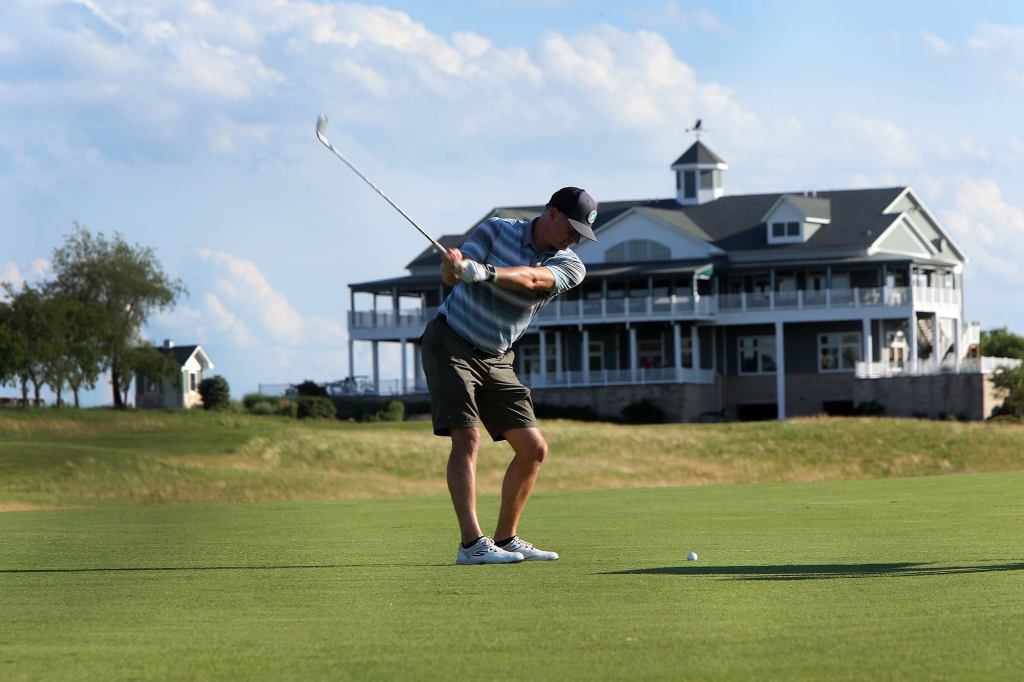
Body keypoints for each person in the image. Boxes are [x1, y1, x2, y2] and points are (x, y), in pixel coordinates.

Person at [419, 187, 598, 565]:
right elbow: (451, 278)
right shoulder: (497, 230)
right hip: (451, 340)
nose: (575, 239)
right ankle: (471, 545)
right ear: (551, 213)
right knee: (467, 438)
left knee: (534, 449)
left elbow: (533, 280)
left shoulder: (571, 266)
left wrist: (485, 272)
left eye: (582, 235)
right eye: (573, 228)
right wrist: (454, 267)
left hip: (498, 356)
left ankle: (507, 537)